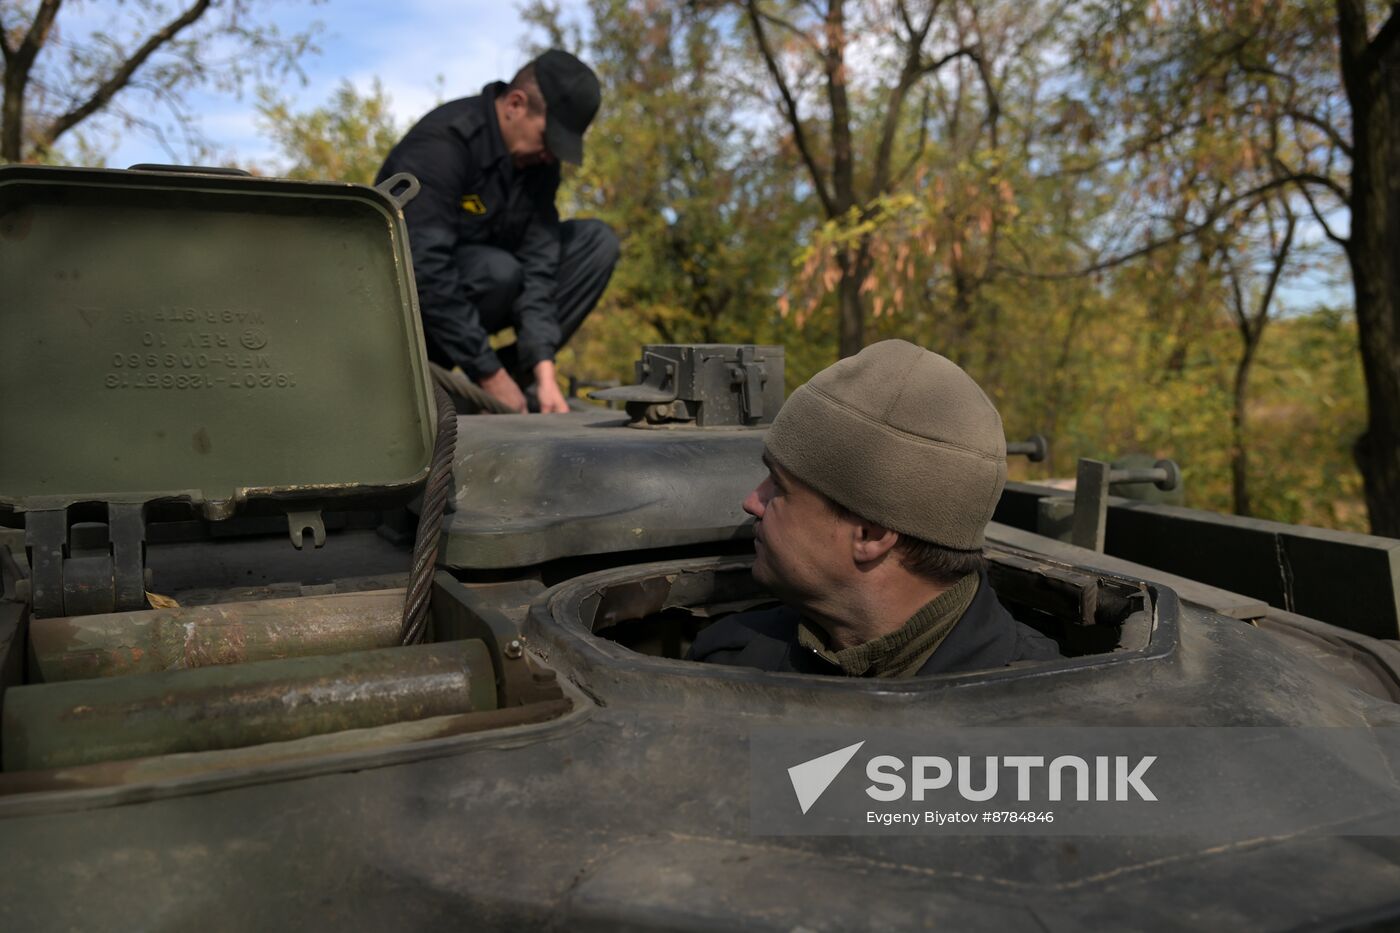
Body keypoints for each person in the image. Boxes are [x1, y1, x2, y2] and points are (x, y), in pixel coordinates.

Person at [689, 340, 1060, 677]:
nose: (752, 502)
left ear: (871, 534)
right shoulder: (730, 663)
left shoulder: (1037, 715)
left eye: (779, 487)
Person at [375, 49, 620, 414]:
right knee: (499, 271)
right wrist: (489, 374)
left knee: (596, 243)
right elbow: (422, 268)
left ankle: (513, 384)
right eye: (548, 137)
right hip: (406, 318)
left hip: (482, 300)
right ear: (516, 105)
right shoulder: (443, 144)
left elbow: (540, 262)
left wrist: (544, 370)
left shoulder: (538, 162)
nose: (552, 156)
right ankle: (474, 383)